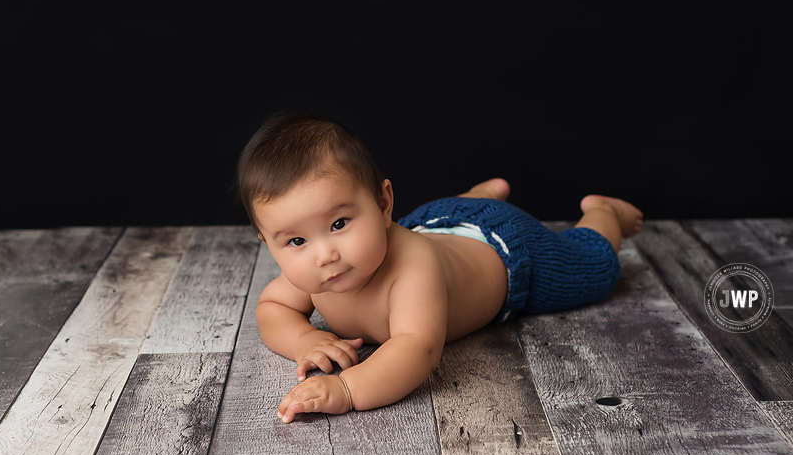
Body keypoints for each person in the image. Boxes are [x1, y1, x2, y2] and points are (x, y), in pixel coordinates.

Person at [237, 113, 643, 423]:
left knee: (593, 269)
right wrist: (304, 340)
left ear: (382, 205)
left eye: (339, 224)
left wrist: (347, 386)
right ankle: (481, 195)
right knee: (453, 216)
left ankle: (603, 214)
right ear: (268, 242)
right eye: (296, 241)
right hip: (438, 219)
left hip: (507, 250)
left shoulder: (414, 266)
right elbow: (272, 309)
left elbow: (417, 347)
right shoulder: (316, 274)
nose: (324, 254)